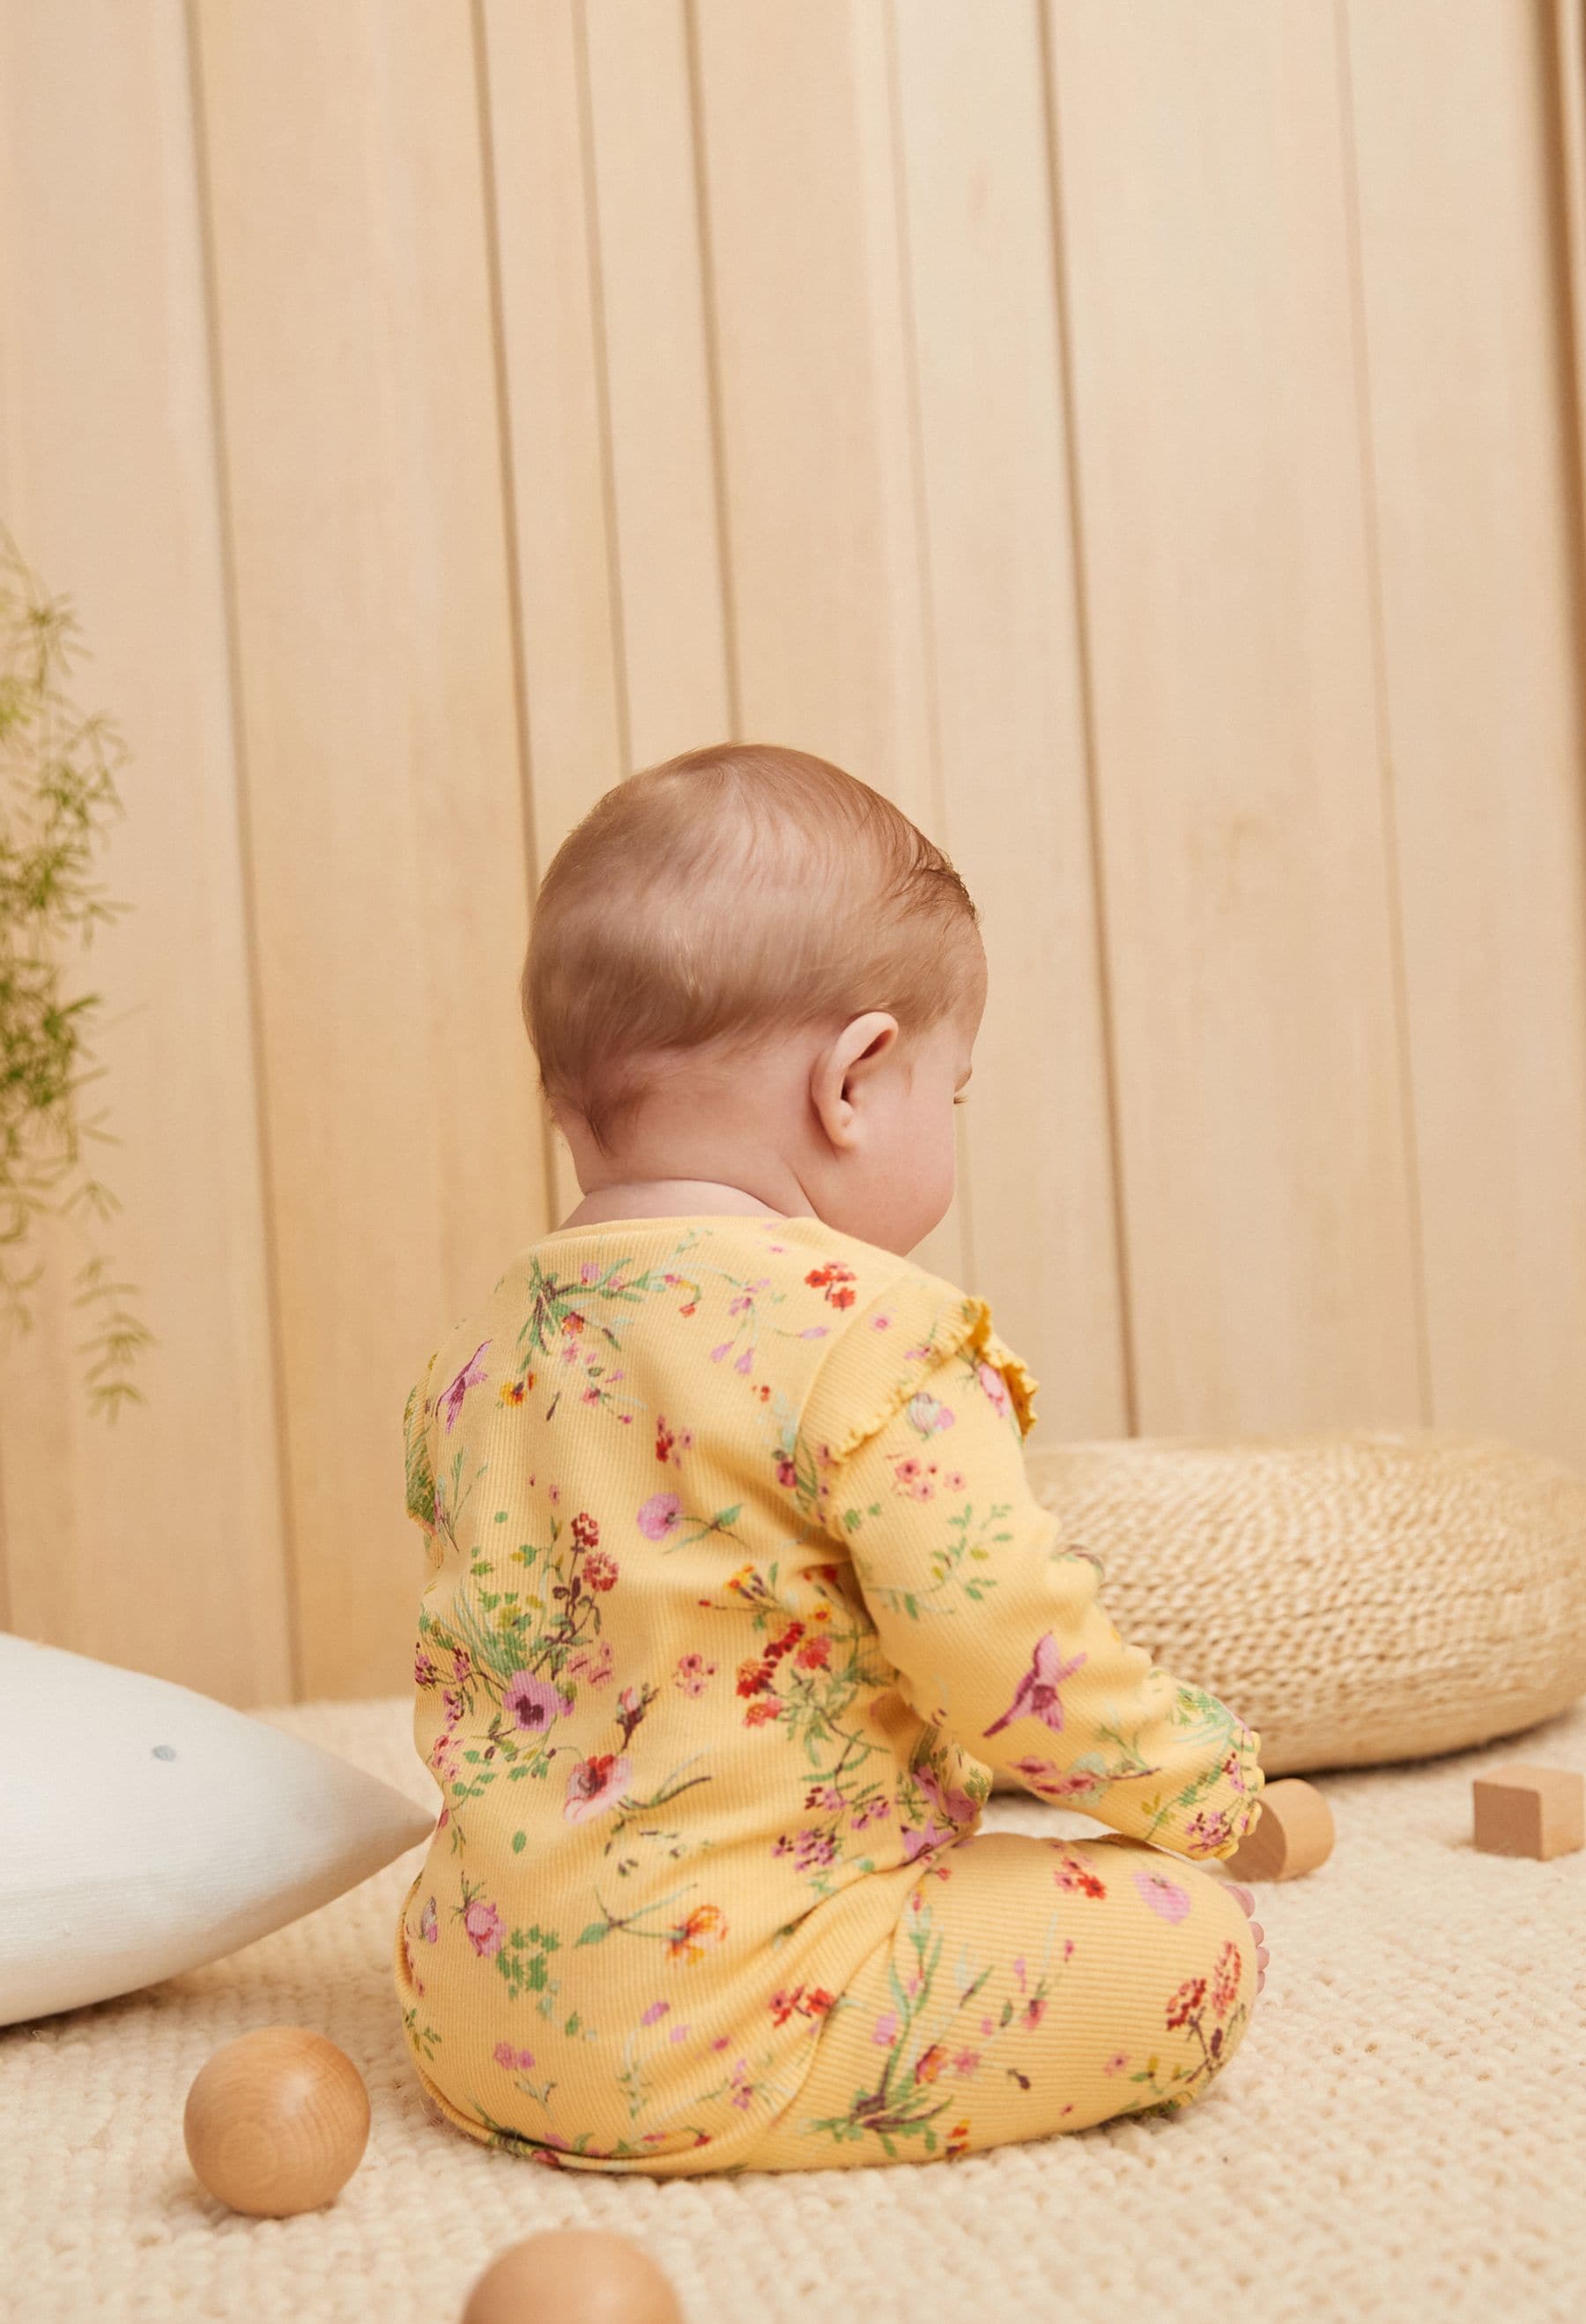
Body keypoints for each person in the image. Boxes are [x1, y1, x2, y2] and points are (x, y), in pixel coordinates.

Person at [397, 744, 1266, 2174]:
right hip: (754, 2015)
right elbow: (1011, 1652)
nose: (955, 1125)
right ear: (856, 1080)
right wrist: (1199, 1788)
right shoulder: (867, 1337)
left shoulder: (482, 1350)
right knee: (1194, 1945)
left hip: (476, 2018)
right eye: (957, 1092)